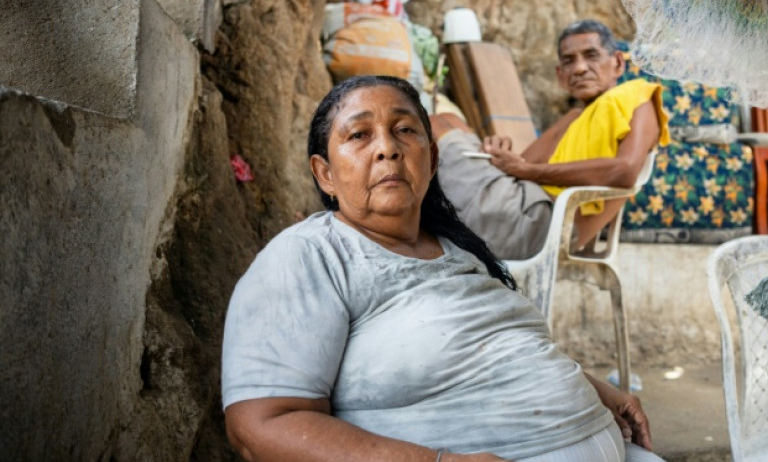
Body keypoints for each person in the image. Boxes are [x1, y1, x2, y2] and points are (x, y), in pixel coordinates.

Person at [221, 75, 664, 462]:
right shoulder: (309, 256)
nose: (388, 149)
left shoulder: (459, 251)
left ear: (432, 160)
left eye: (404, 130)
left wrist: (591, 386)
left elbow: (497, 349)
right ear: (325, 174)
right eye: (359, 135)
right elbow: (259, 426)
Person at [431, 20, 670, 260]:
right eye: (569, 61)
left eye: (591, 56)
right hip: (525, 204)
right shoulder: (575, 117)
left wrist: (529, 171)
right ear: (560, 75)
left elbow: (625, 171)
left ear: (617, 63)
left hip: (543, 226)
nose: (579, 68)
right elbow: (519, 168)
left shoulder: (638, 95)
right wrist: (499, 152)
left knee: (432, 125)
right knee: (448, 119)